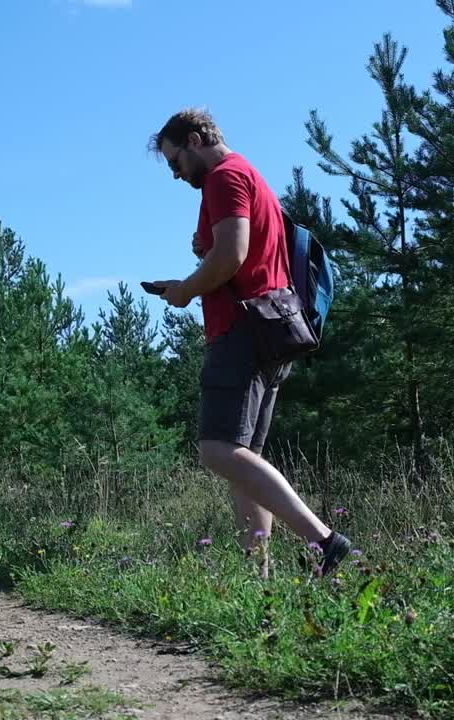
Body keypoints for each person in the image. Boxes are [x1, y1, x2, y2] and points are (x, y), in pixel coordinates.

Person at [145, 107, 351, 579]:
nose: (176, 175)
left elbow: (232, 256)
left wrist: (185, 290)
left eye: (176, 162)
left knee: (216, 450)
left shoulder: (224, 177)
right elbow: (242, 256)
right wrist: (201, 270)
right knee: (244, 465)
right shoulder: (251, 177)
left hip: (241, 332)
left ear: (195, 139)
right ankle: (255, 579)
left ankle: (324, 541)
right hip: (271, 329)